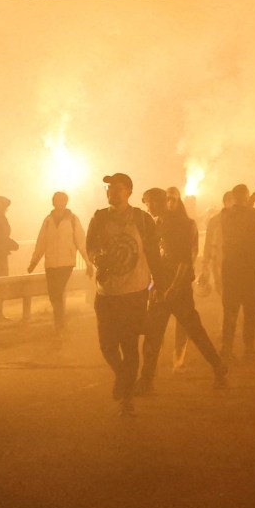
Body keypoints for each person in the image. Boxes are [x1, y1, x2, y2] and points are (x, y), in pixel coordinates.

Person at [138, 187, 227, 392]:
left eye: (151, 202)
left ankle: (219, 367)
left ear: (161, 202)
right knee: (153, 336)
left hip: (178, 291)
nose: (149, 206)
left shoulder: (179, 225)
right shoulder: (157, 225)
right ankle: (146, 380)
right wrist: (154, 286)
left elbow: (184, 262)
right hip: (161, 289)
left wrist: (171, 289)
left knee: (195, 332)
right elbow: (154, 260)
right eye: (146, 202)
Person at [89, 173, 156, 415]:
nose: (111, 192)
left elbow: (154, 254)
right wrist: (98, 257)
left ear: (128, 191)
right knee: (106, 344)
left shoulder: (142, 219)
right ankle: (122, 376)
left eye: (117, 188)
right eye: (108, 188)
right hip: (106, 292)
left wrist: (157, 284)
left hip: (134, 292)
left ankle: (127, 399)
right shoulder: (99, 218)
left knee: (129, 346)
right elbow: (91, 246)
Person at [26, 192, 86, 336]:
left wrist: (88, 261)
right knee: (53, 294)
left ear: (66, 202)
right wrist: (34, 261)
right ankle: (60, 321)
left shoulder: (72, 219)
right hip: (51, 263)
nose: (58, 202)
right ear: (53, 202)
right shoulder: (48, 220)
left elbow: (81, 241)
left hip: (67, 262)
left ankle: (59, 324)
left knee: (57, 291)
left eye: (61, 200)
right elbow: (41, 242)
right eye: (56, 200)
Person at [219, 184, 255, 362]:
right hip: (248, 269)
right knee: (250, 309)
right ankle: (248, 348)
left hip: (230, 269)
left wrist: (254, 196)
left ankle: (227, 347)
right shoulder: (252, 215)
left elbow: (245, 212)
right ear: (245, 198)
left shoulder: (225, 214)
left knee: (230, 309)